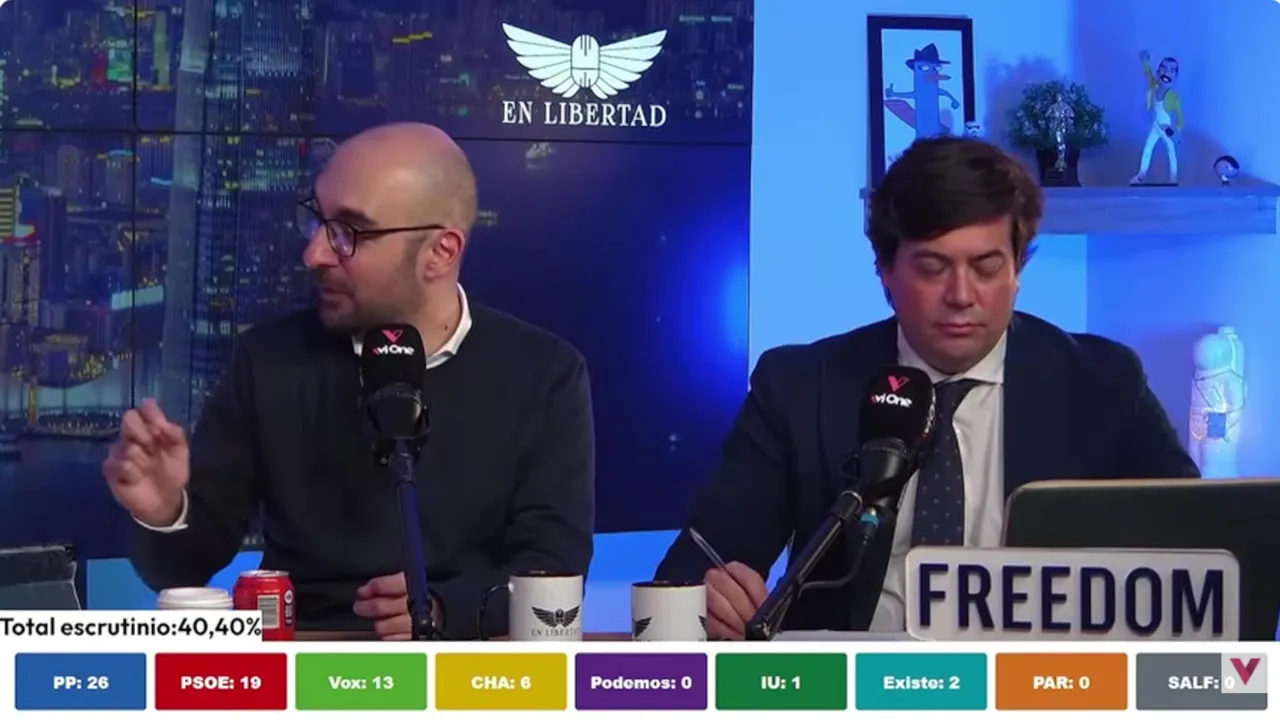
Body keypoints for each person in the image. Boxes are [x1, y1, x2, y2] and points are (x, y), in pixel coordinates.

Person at [654, 136, 1199, 639]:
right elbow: (690, 574)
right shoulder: (801, 387)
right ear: (885, 270)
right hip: (851, 689)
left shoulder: (1102, 383)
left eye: (987, 267)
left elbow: (1203, 553)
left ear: (1018, 269)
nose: (961, 295)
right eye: (933, 268)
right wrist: (712, 597)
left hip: (1040, 687)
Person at [103, 123, 595, 640]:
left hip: (471, 664)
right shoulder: (270, 359)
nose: (314, 254)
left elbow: (554, 574)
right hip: (305, 656)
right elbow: (184, 569)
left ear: (441, 252)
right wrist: (165, 512)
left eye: (348, 233)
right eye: (316, 220)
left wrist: (444, 609)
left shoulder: (544, 374)